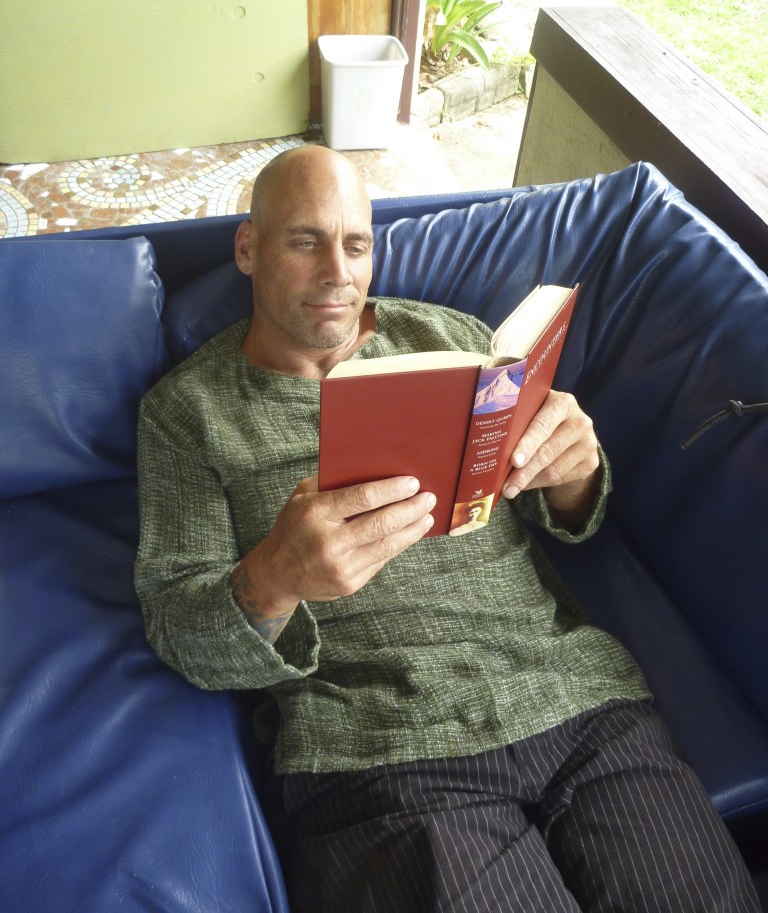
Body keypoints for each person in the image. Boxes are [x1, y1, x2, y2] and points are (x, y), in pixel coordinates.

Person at [135, 145, 759, 913]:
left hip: (573, 698)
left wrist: (575, 470)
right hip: (379, 748)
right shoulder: (187, 414)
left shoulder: (452, 340)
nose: (338, 271)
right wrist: (275, 577)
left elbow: (564, 515)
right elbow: (177, 626)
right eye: (304, 240)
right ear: (247, 247)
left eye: (356, 244)